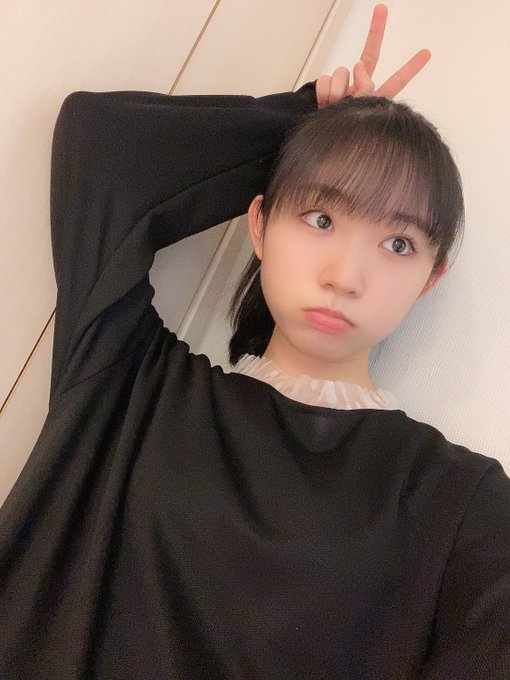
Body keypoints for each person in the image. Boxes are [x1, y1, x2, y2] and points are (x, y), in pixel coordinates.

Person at [1, 4, 509, 679]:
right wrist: (304, 121)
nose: (346, 276)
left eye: (398, 243)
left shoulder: (461, 503)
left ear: (429, 279)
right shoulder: (129, 383)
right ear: (261, 225)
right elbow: (100, 146)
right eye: (321, 218)